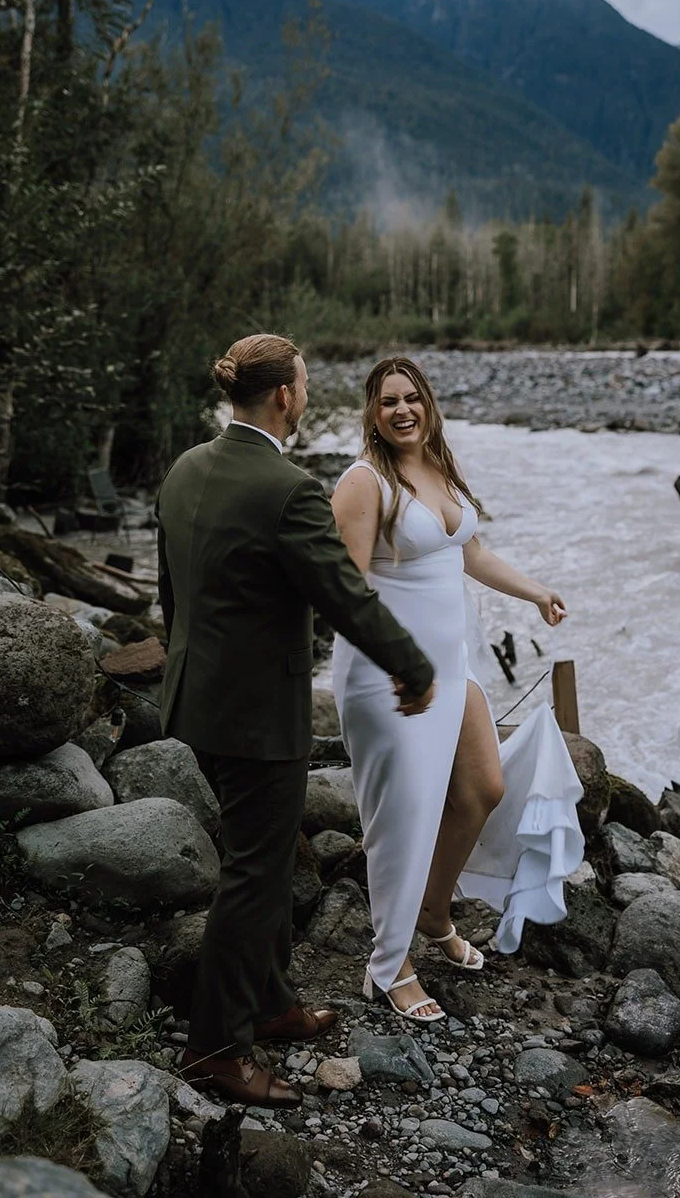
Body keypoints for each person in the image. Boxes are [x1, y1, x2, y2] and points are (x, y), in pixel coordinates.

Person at [157, 334, 436, 1105]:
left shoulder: (186, 468)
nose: (306, 395)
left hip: (195, 699)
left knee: (269, 855)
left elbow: (170, 588)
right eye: (305, 384)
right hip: (255, 715)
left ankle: (272, 1003)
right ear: (284, 396)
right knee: (253, 873)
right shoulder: (285, 489)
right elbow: (345, 596)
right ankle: (215, 1048)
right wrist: (413, 666)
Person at [331, 356, 584, 1022]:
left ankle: (433, 911)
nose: (402, 410)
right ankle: (387, 968)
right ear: (372, 412)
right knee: (400, 820)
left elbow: (468, 553)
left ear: (428, 403)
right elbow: (345, 589)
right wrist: (389, 662)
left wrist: (535, 591)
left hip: (453, 664)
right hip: (389, 672)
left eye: (412, 398)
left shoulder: (439, 468)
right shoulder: (362, 484)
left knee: (482, 789)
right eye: (388, 402)